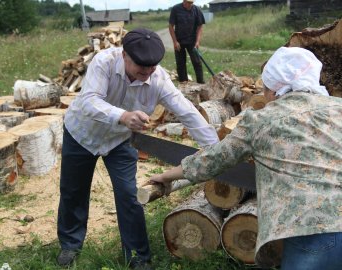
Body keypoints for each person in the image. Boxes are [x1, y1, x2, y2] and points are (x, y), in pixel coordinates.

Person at [147, 47, 342, 270]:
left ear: (275, 90)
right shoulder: (339, 107)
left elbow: (212, 160)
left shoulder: (260, 120)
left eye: (266, 89)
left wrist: (166, 176)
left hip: (314, 229)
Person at [56, 28, 219, 269]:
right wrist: (122, 116)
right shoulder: (104, 62)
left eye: (151, 70)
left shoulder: (158, 78)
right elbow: (89, 101)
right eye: (141, 70)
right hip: (82, 134)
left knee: (129, 196)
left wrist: (216, 149)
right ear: (124, 56)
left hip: (120, 141)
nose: (146, 75)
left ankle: (137, 257)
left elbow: (187, 112)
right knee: (73, 192)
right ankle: (70, 245)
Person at [169, 0, 205, 84]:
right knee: (180, 64)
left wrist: (197, 41)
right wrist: (175, 42)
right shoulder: (176, 9)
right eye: (188, 3)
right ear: (183, 1)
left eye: (191, 3)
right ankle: (183, 83)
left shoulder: (197, 10)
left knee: (197, 62)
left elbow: (200, 26)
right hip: (179, 41)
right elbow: (171, 26)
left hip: (192, 41)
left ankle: (201, 83)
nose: (190, 5)